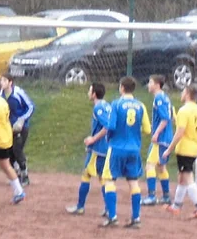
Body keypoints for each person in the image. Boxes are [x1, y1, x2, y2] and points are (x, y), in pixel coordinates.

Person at [101, 76, 151, 229]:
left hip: (117, 147)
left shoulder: (116, 104)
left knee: (109, 180)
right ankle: (136, 218)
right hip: (134, 149)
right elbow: (147, 129)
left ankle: (113, 217)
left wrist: (109, 138)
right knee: (133, 182)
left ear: (122, 88)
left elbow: (111, 126)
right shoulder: (141, 106)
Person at [66, 83, 113, 216]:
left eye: (89, 90)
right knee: (102, 177)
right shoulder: (107, 105)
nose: (88, 93)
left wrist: (93, 139)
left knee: (86, 174)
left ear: (94, 94)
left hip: (98, 149)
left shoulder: (98, 108)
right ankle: (108, 208)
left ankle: (80, 207)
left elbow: (107, 126)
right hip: (107, 147)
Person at [162, 84, 197, 219]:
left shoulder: (184, 110)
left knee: (188, 177)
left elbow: (180, 132)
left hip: (184, 149)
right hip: (193, 147)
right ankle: (176, 206)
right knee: (182, 177)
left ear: (187, 94)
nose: (181, 94)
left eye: (183, 92)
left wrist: (169, 149)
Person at [142, 75, 174, 206]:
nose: (148, 85)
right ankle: (166, 196)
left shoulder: (159, 98)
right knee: (161, 166)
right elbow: (171, 116)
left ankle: (151, 196)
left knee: (150, 165)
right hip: (167, 137)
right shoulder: (165, 97)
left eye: (150, 82)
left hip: (161, 138)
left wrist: (156, 133)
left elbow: (165, 118)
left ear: (157, 84)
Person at [0, 73, 35, 186]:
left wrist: (22, 119)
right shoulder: (0, 95)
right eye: (1, 80)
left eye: (4, 80)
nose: (2, 83)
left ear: (10, 82)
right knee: (9, 152)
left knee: (17, 150)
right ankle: (16, 174)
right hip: (7, 128)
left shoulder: (18, 92)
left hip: (21, 127)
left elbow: (30, 107)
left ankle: (25, 175)